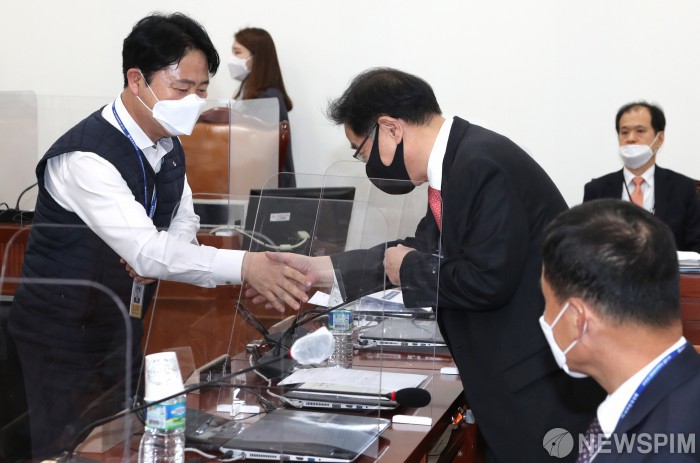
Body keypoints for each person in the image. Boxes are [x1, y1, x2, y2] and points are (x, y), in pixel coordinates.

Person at [259, 68, 605, 462]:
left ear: (391, 129)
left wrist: (408, 268)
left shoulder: (479, 165)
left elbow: (487, 280)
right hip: (516, 377)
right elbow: (420, 248)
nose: (367, 164)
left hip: (538, 388)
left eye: (362, 151)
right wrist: (324, 270)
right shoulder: (458, 162)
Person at [7, 13, 309, 458]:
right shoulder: (85, 157)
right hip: (60, 338)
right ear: (137, 80)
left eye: (202, 89)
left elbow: (184, 217)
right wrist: (244, 265)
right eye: (181, 88)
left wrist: (165, 253)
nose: (194, 101)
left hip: (122, 326)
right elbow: (148, 252)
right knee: (70, 451)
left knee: (120, 443)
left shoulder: (168, 143)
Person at [541, 199, 700, 461]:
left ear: (578, 320)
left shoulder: (665, 453)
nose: (545, 319)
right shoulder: (682, 390)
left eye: (546, 303)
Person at [583, 101, 700, 252]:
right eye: (624, 132)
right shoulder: (597, 190)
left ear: (659, 139)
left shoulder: (684, 189)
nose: (631, 138)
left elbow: (696, 246)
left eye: (640, 131)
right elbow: (586, 245)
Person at [228, 27, 296, 187]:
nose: (232, 59)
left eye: (237, 52)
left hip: (268, 187)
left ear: (257, 57)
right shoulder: (253, 94)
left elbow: (257, 151)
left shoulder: (267, 98)